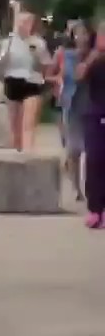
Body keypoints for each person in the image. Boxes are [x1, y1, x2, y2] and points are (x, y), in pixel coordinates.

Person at [50, 21, 92, 201]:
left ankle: (91, 187)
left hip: (91, 104)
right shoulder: (63, 54)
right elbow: (50, 73)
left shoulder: (95, 55)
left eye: (84, 33)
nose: (81, 37)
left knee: (91, 150)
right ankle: (76, 188)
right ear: (72, 36)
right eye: (77, 33)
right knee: (74, 149)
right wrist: (57, 81)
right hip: (71, 104)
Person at [0, 10, 53, 151]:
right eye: (21, 22)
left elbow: (46, 65)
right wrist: (4, 56)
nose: (23, 25)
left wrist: (37, 55)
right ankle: (17, 152)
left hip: (32, 82)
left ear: (32, 25)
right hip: (12, 81)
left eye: (27, 22)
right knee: (14, 126)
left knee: (28, 124)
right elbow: (1, 62)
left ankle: (27, 156)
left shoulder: (38, 43)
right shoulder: (8, 42)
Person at [75, 25, 105, 227]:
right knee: (95, 160)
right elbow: (79, 76)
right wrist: (95, 53)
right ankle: (95, 209)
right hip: (96, 112)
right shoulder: (93, 59)